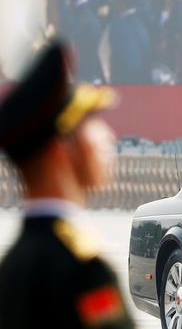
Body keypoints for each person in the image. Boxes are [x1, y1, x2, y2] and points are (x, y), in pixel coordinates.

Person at [0, 41, 134, 328]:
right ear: (60, 148)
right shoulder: (84, 271)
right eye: (91, 123)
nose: (108, 136)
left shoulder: (12, 267)